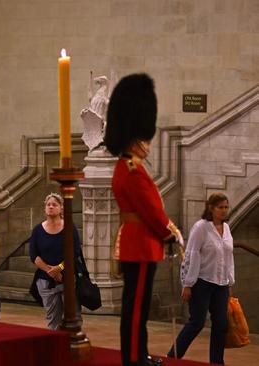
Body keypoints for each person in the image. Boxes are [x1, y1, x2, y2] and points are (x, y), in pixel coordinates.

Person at [104, 73, 183, 366]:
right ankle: (134, 359)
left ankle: (140, 354)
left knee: (138, 305)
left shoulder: (128, 167)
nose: (148, 144)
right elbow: (150, 209)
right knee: (136, 307)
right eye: (145, 139)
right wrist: (169, 232)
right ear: (135, 140)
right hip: (140, 243)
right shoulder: (132, 170)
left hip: (140, 243)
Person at [167, 193, 234, 364]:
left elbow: (229, 256)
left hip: (221, 284)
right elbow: (191, 255)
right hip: (201, 282)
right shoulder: (201, 227)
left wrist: (229, 281)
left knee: (221, 325)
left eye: (226, 207)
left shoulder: (226, 228)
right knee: (196, 322)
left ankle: (217, 361)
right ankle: (173, 356)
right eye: (220, 207)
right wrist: (187, 284)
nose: (224, 210)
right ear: (211, 208)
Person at [29, 192, 82, 330]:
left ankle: (72, 346)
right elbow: (33, 255)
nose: (51, 207)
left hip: (68, 278)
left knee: (73, 316)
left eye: (54, 204)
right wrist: (50, 271)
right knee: (53, 319)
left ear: (61, 208)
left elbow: (75, 252)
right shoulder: (37, 230)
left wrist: (59, 268)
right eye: (48, 205)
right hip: (45, 280)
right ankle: (56, 346)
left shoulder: (70, 227)